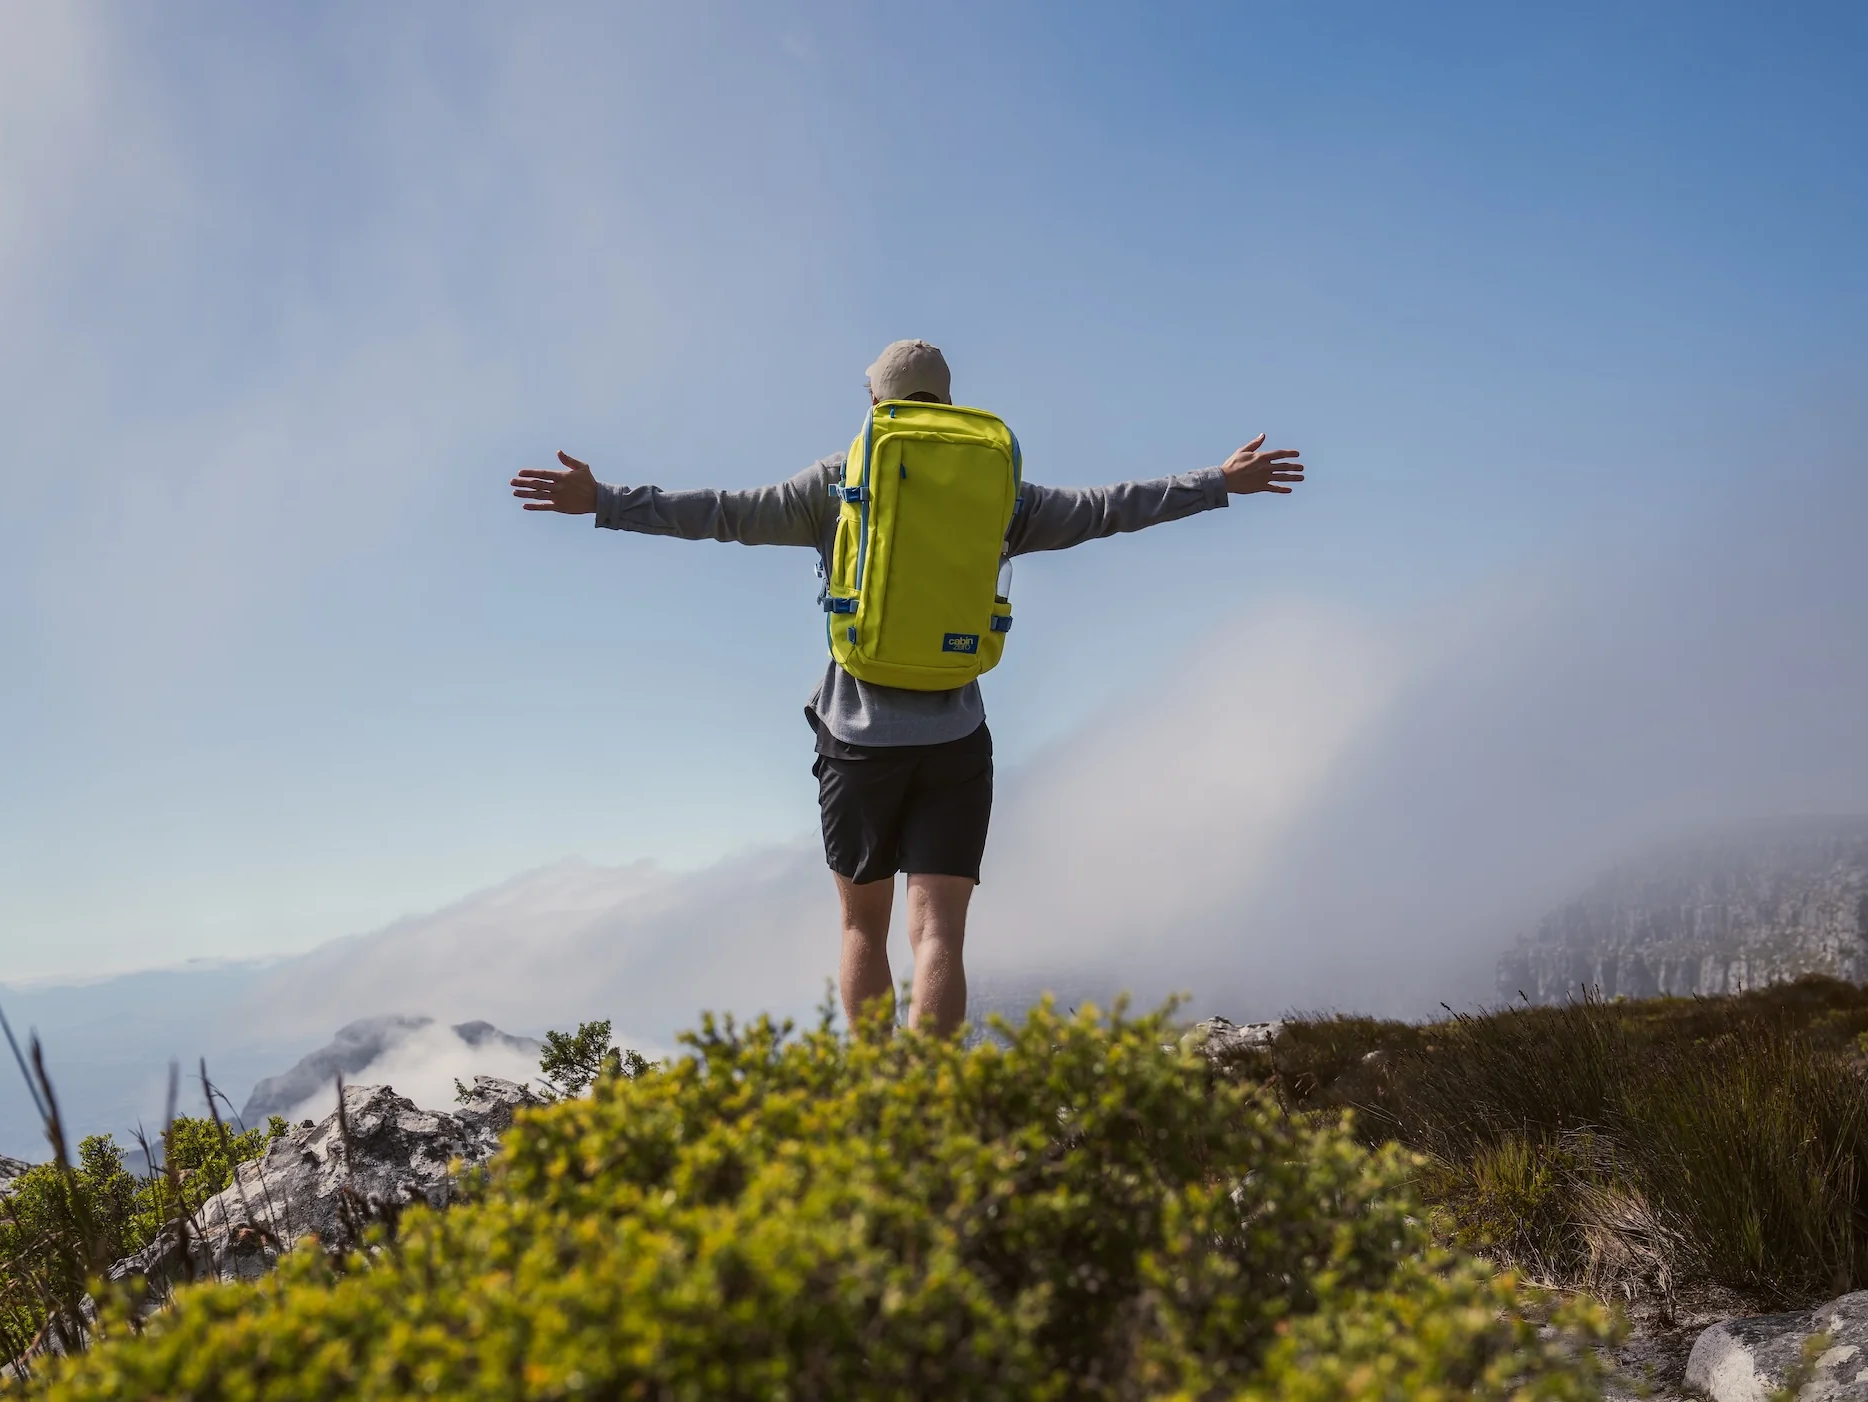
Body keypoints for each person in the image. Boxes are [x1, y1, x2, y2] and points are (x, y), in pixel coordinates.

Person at [511, 339, 1306, 1035]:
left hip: (856, 739)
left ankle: (878, 1110)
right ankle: (933, 1114)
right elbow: (1106, 510)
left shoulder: (838, 480)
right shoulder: (1000, 488)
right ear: (948, 399)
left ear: (874, 400)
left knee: (863, 925)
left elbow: (722, 513)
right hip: (957, 736)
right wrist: (1217, 483)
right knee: (940, 935)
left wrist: (606, 502)